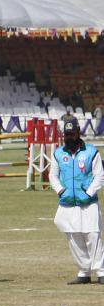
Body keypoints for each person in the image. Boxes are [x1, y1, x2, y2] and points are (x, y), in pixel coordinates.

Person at [49, 119, 104, 284]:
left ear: (78, 133)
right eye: (66, 134)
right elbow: (53, 175)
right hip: (68, 202)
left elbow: (99, 176)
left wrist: (88, 193)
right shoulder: (58, 154)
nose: (69, 137)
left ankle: (101, 272)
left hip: (88, 202)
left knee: (93, 235)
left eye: (72, 134)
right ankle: (84, 271)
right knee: (73, 236)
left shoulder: (91, 152)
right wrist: (61, 190)